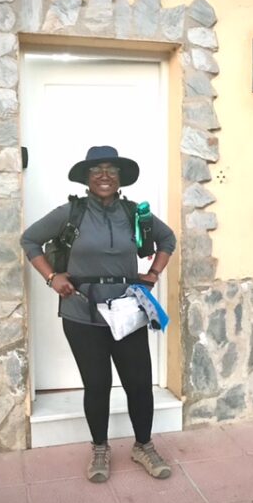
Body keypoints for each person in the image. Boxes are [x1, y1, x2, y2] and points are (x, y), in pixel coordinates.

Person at [20, 145, 176, 483]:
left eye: (111, 170)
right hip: (82, 313)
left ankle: (143, 446)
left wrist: (153, 273)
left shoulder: (136, 213)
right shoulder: (70, 213)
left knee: (139, 385)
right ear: (88, 178)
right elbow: (30, 240)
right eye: (96, 170)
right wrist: (52, 276)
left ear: (120, 178)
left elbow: (167, 239)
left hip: (126, 311)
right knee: (97, 385)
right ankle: (100, 449)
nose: (104, 175)